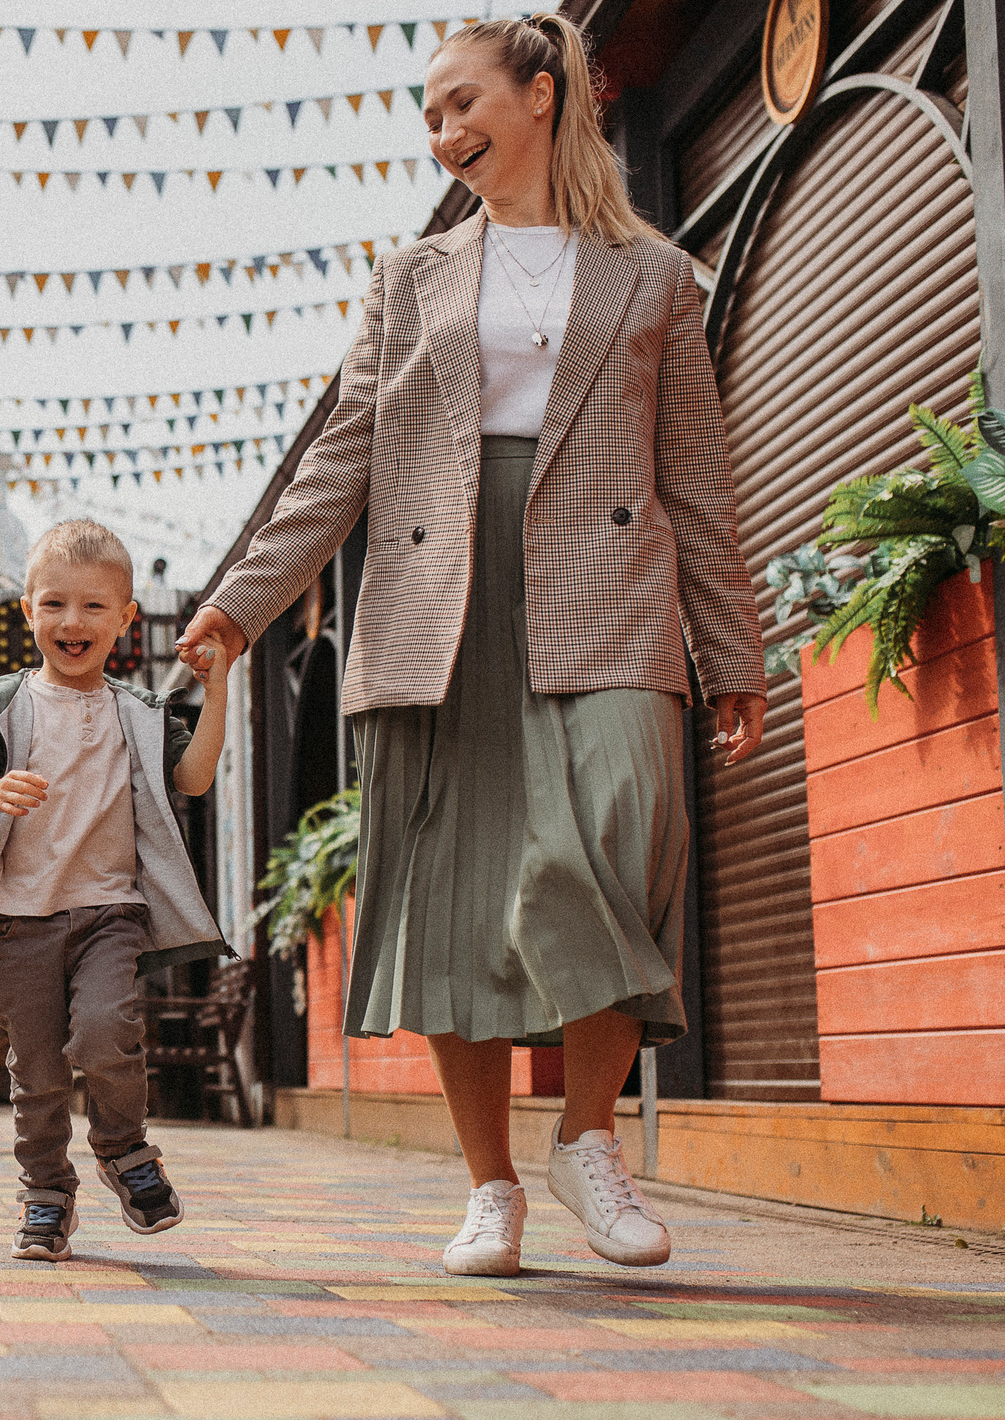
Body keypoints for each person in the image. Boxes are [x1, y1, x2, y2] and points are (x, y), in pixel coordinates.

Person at [173, 14, 768, 1277]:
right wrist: (242, 602)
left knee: (614, 830)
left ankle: (588, 1141)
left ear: (541, 95)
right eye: (427, 114)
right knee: (450, 890)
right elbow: (342, 460)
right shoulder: (410, 279)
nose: (442, 133)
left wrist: (732, 654)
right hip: (433, 604)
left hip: (602, 587)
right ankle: (488, 1187)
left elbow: (699, 485)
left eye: (460, 104)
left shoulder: (656, 277)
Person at [0, 519, 233, 1261]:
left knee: (105, 1031)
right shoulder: (2, 705)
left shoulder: (140, 713)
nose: (72, 622)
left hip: (109, 912)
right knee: (40, 1071)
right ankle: (47, 1195)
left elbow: (194, 777)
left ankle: (125, 1151)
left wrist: (216, 691)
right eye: (54, 604)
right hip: (18, 923)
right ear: (27, 611)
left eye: (93, 607)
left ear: (125, 619)